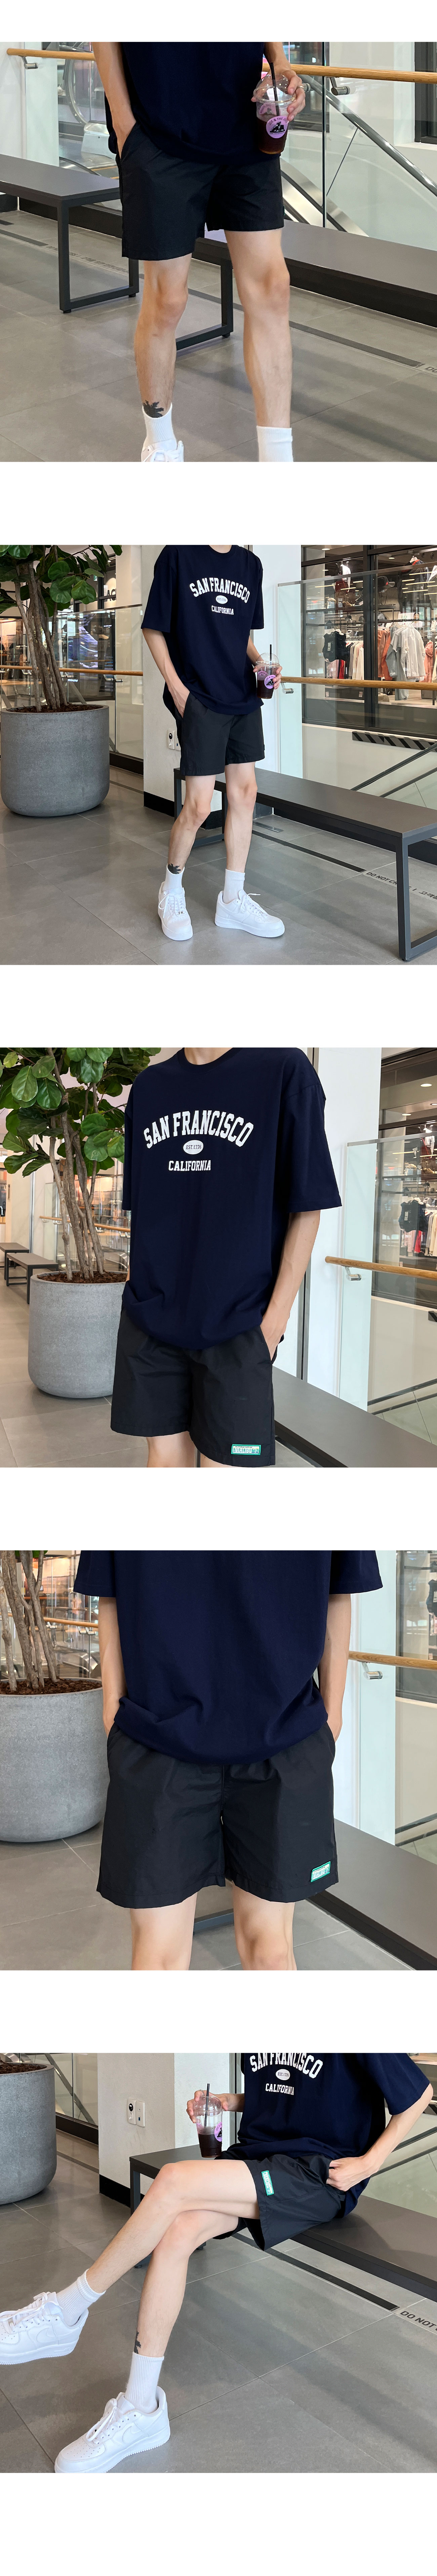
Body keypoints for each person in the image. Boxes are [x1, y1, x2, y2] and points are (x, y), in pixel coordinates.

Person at [0, 2056, 431, 2472]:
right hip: (257, 2157)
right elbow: (288, 2093)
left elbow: (418, 2094)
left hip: (318, 2172)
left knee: (173, 2180)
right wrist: (229, 2102)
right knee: (178, 2232)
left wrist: (368, 2165)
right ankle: (141, 2408)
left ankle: (66, 2311)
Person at [73, 1549, 382, 1969]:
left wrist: (332, 1715)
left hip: (284, 1738)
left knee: (271, 1953)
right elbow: (109, 1590)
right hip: (157, 1738)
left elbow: (338, 1584)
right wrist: (113, 1709)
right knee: (157, 1958)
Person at [111, 1044, 341, 1467]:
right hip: (151, 1316)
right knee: (163, 1455)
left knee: (229, 1465)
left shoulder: (283, 1070)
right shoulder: (149, 1087)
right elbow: (144, 1208)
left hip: (239, 1321)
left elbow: (308, 1206)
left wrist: (273, 1323)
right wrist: (134, 1287)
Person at [92, 43, 305, 463]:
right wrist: (124, 124)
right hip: (159, 127)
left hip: (247, 123)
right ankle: (160, 446)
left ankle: (278, 465)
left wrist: (279, 60)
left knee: (272, 288)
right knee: (167, 299)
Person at [143, 542, 283, 943]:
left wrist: (260, 664)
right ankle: (171, 892)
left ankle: (233, 900)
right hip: (200, 696)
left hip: (243, 696)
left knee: (245, 795)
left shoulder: (250, 565)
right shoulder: (178, 555)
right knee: (200, 806)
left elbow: (242, 636)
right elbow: (153, 627)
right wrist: (178, 690)